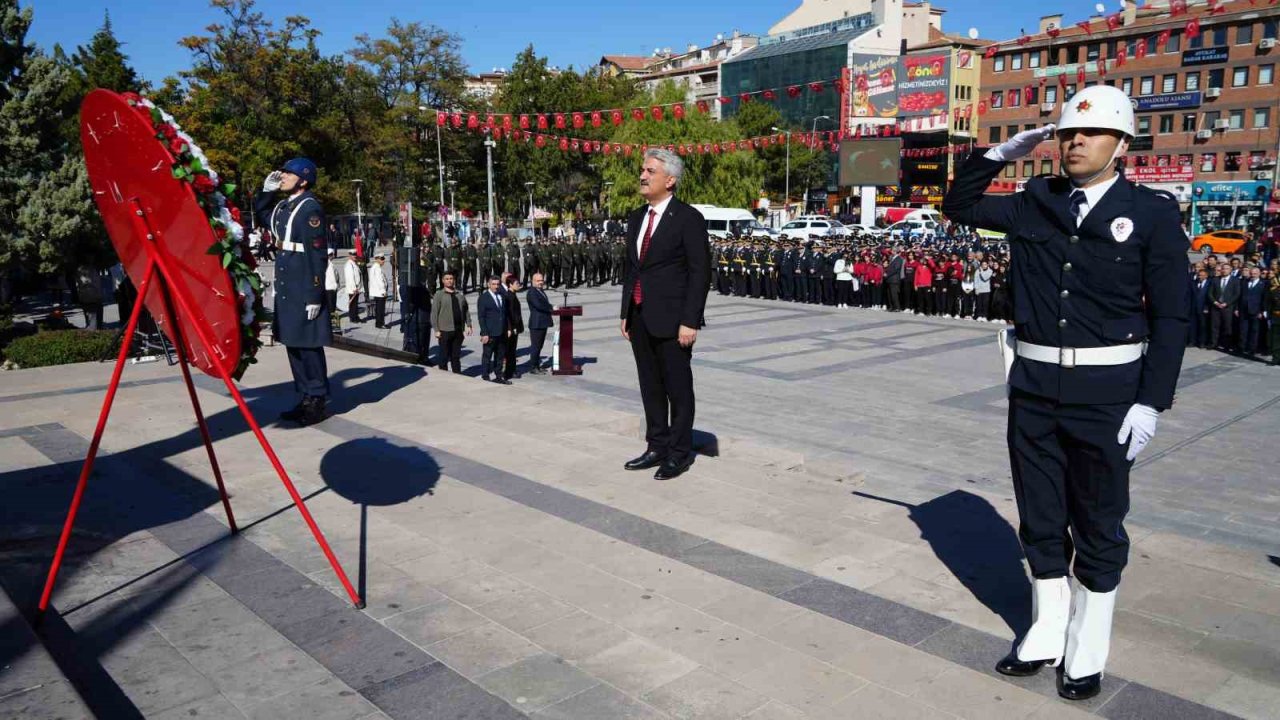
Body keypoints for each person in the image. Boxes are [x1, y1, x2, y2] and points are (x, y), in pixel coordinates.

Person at [942, 84, 1189, 701]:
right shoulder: (1035, 200)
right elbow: (958, 205)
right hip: (1032, 385)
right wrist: (997, 156)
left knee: (1100, 520)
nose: (1074, 142)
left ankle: (1087, 646)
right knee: (1041, 514)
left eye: (1091, 133)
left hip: (1108, 393)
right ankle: (1047, 630)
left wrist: (1151, 400)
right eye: (1066, 133)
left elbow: (1172, 318)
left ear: (1122, 143)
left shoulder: (1152, 213)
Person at [619, 148, 710, 481]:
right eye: (642, 169)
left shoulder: (688, 219)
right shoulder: (635, 217)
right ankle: (656, 445)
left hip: (674, 321)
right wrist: (626, 311)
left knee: (677, 388)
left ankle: (679, 452)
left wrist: (690, 320)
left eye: (651, 171)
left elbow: (700, 273)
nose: (643, 175)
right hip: (641, 315)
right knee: (650, 385)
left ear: (670, 180)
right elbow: (633, 268)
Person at [254, 158, 333, 425]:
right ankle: (304, 397)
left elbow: (317, 255)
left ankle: (317, 400)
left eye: (289, 174)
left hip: (303, 285)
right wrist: (266, 192)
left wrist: (314, 295)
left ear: (304, 180)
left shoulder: (310, 209)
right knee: (294, 344)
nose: (283, 177)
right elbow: (264, 217)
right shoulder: (285, 206)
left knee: (309, 346)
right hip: (289, 285)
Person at [431, 271, 470, 373]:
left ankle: (457, 374)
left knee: (455, 356)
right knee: (444, 356)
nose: (449, 281)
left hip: (457, 330)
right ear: (443, 281)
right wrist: (436, 329)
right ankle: (444, 375)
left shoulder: (459, 295)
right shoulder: (439, 295)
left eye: (451, 279)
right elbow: (434, 313)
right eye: (447, 279)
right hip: (444, 330)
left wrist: (468, 325)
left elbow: (466, 311)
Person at [476, 275, 511, 384]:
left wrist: (508, 328)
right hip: (490, 332)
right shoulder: (483, 298)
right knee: (487, 355)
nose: (496, 286)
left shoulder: (502, 296)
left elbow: (505, 314)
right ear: (488, 284)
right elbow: (481, 317)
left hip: (501, 331)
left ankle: (498, 375)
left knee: (500, 355)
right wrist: (484, 333)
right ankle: (485, 375)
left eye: (498, 284)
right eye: (493, 284)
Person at [525, 272, 554, 374]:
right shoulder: (532, 292)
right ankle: (533, 367)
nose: (541, 282)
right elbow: (539, 305)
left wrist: (552, 306)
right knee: (536, 346)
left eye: (542, 280)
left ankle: (537, 365)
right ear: (532, 281)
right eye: (538, 281)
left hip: (542, 322)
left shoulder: (540, 291)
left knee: (539, 346)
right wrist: (551, 308)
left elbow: (544, 303)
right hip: (536, 323)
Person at [1207, 263, 1240, 351]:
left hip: (1228, 308)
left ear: (1230, 270)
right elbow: (1210, 293)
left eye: (1226, 269)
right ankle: (1214, 343)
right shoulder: (1215, 280)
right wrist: (1215, 302)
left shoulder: (1235, 280)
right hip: (1216, 307)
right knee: (1214, 326)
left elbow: (1236, 294)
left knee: (1227, 327)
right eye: (1223, 268)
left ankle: (1226, 345)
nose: (1224, 270)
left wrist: (1227, 303)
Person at [501, 274, 524, 380]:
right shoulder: (509, 296)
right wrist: (512, 327)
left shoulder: (512, 295)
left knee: (512, 350)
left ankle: (511, 370)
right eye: (516, 283)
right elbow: (510, 314)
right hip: (512, 328)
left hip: (515, 327)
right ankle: (509, 372)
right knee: (510, 350)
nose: (518, 285)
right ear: (510, 285)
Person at [1238, 266, 1265, 355]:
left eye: (1255, 274)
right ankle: (1242, 347)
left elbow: (1264, 299)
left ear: (1259, 274)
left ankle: (1252, 349)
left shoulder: (1263, 284)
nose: (1253, 275)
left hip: (1256, 311)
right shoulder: (1244, 282)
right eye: (1252, 273)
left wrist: (1262, 311)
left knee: (1254, 331)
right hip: (1244, 310)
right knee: (1243, 330)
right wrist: (1237, 309)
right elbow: (1240, 296)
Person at [369, 254, 389, 328]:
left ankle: (378, 323)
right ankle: (380, 323)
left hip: (377, 291)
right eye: (381, 259)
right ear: (377, 259)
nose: (383, 260)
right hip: (380, 292)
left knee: (378, 308)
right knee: (381, 309)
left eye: (383, 258)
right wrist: (383, 291)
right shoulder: (377, 268)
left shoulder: (375, 267)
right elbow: (380, 281)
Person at [343, 254, 363, 323]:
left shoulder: (354, 263)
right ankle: (353, 318)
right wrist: (354, 288)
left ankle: (356, 317)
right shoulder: (349, 265)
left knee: (355, 303)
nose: (355, 257)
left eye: (355, 255)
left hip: (356, 287)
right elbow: (350, 277)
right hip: (352, 288)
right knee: (353, 304)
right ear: (350, 256)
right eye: (353, 255)